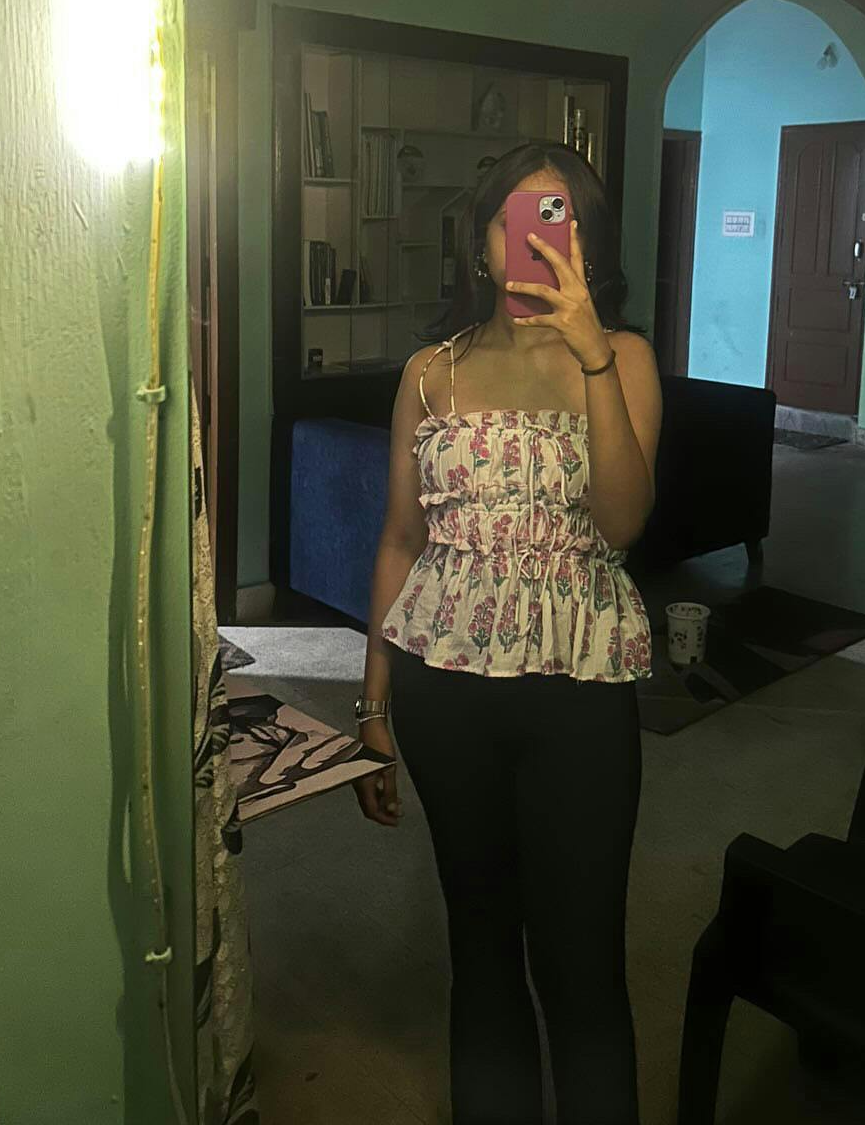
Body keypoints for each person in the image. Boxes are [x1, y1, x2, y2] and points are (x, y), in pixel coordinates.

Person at [354, 142, 661, 1125]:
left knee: (582, 962)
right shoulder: (429, 375)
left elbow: (620, 525)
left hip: (581, 687)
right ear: (481, 242)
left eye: (558, 217)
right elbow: (401, 541)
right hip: (444, 688)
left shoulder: (623, 359)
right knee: (481, 952)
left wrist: (591, 353)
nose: (533, 239)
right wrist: (372, 706)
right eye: (514, 217)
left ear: (587, 243)